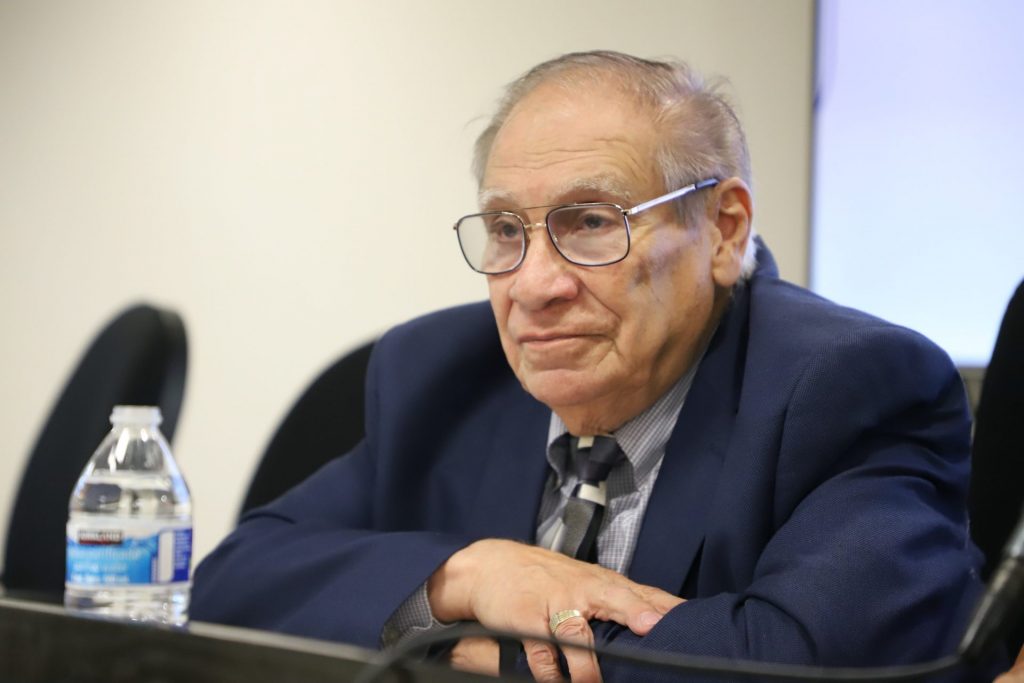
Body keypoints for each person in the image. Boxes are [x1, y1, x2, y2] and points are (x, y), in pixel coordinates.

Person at [191, 51, 990, 681]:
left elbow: (808, 663)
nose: (534, 285)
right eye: (508, 230)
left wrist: (468, 643)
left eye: (591, 222)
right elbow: (234, 583)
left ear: (723, 230)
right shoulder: (435, 374)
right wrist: (462, 578)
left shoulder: (849, 386)